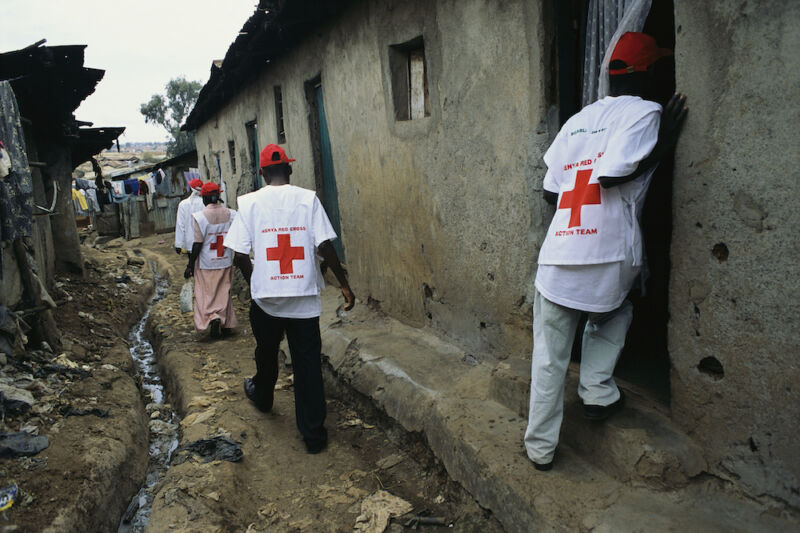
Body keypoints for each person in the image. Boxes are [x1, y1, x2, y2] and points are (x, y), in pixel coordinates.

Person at [524, 32, 688, 471]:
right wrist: (665, 145)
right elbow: (613, 176)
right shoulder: (646, 112)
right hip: (610, 250)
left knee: (549, 354)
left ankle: (539, 450)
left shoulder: (576, 121)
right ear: (650, 72)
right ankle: (597, 391)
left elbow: (549, 192)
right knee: (617, 310)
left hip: (559, 253)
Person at [225, 143, 355, 454]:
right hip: (303, 298)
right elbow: (324, 246)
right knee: (307, 363)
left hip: (267, 299)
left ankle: (263, 395)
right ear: (290, 169)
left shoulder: (249, 203)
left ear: (261, 172)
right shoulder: (307, 199)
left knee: (266, 352)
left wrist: (255, 277)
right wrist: (344, 285)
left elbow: (239, 252)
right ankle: (313, 436)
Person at [184, 182, 238, 338]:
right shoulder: (232, 214)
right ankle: (225, 322)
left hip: (206, 262)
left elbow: (197, 244)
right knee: (224, 291)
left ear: (205, 198)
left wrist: (190, 264)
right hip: (225, 259)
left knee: (205, 293)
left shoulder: (200, 217)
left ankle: (212, 317)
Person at [175, 178, 204, 254]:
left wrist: (178, 244)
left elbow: (180, 225)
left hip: (190, 242)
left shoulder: (183, 204)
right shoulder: (205, 202)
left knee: (193, 263)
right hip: (204, 242)